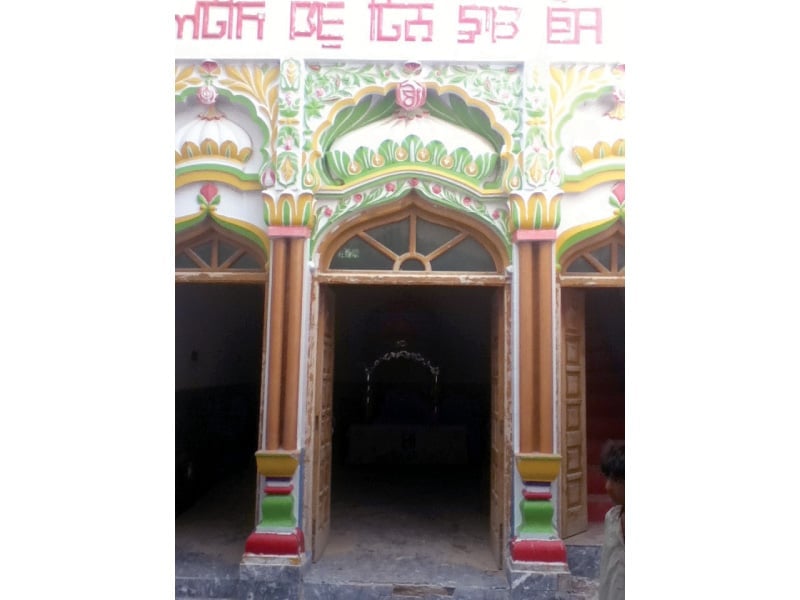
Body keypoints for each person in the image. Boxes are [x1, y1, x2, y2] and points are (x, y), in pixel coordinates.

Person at [598, 439, 624, 600]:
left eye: (617, 480)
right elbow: (606, 575)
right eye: (608, 478)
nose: (608, 486)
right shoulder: (612, 519)